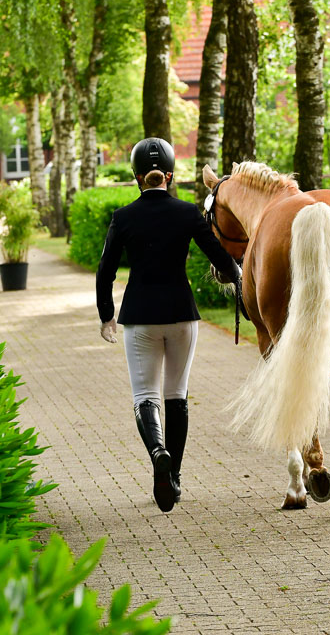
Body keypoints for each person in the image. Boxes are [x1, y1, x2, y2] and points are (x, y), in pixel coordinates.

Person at [96, 137, 240, 513]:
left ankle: (158, 453)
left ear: (137, 177)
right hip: (181, 315)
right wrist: (241, 280)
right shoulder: (187, 212)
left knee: (145, 396)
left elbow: (105, 272)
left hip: (139, 317)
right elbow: (221, 258)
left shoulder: (123, 217)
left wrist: (105, 315)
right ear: (170, 177)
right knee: (176, 395)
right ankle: (173, 476)